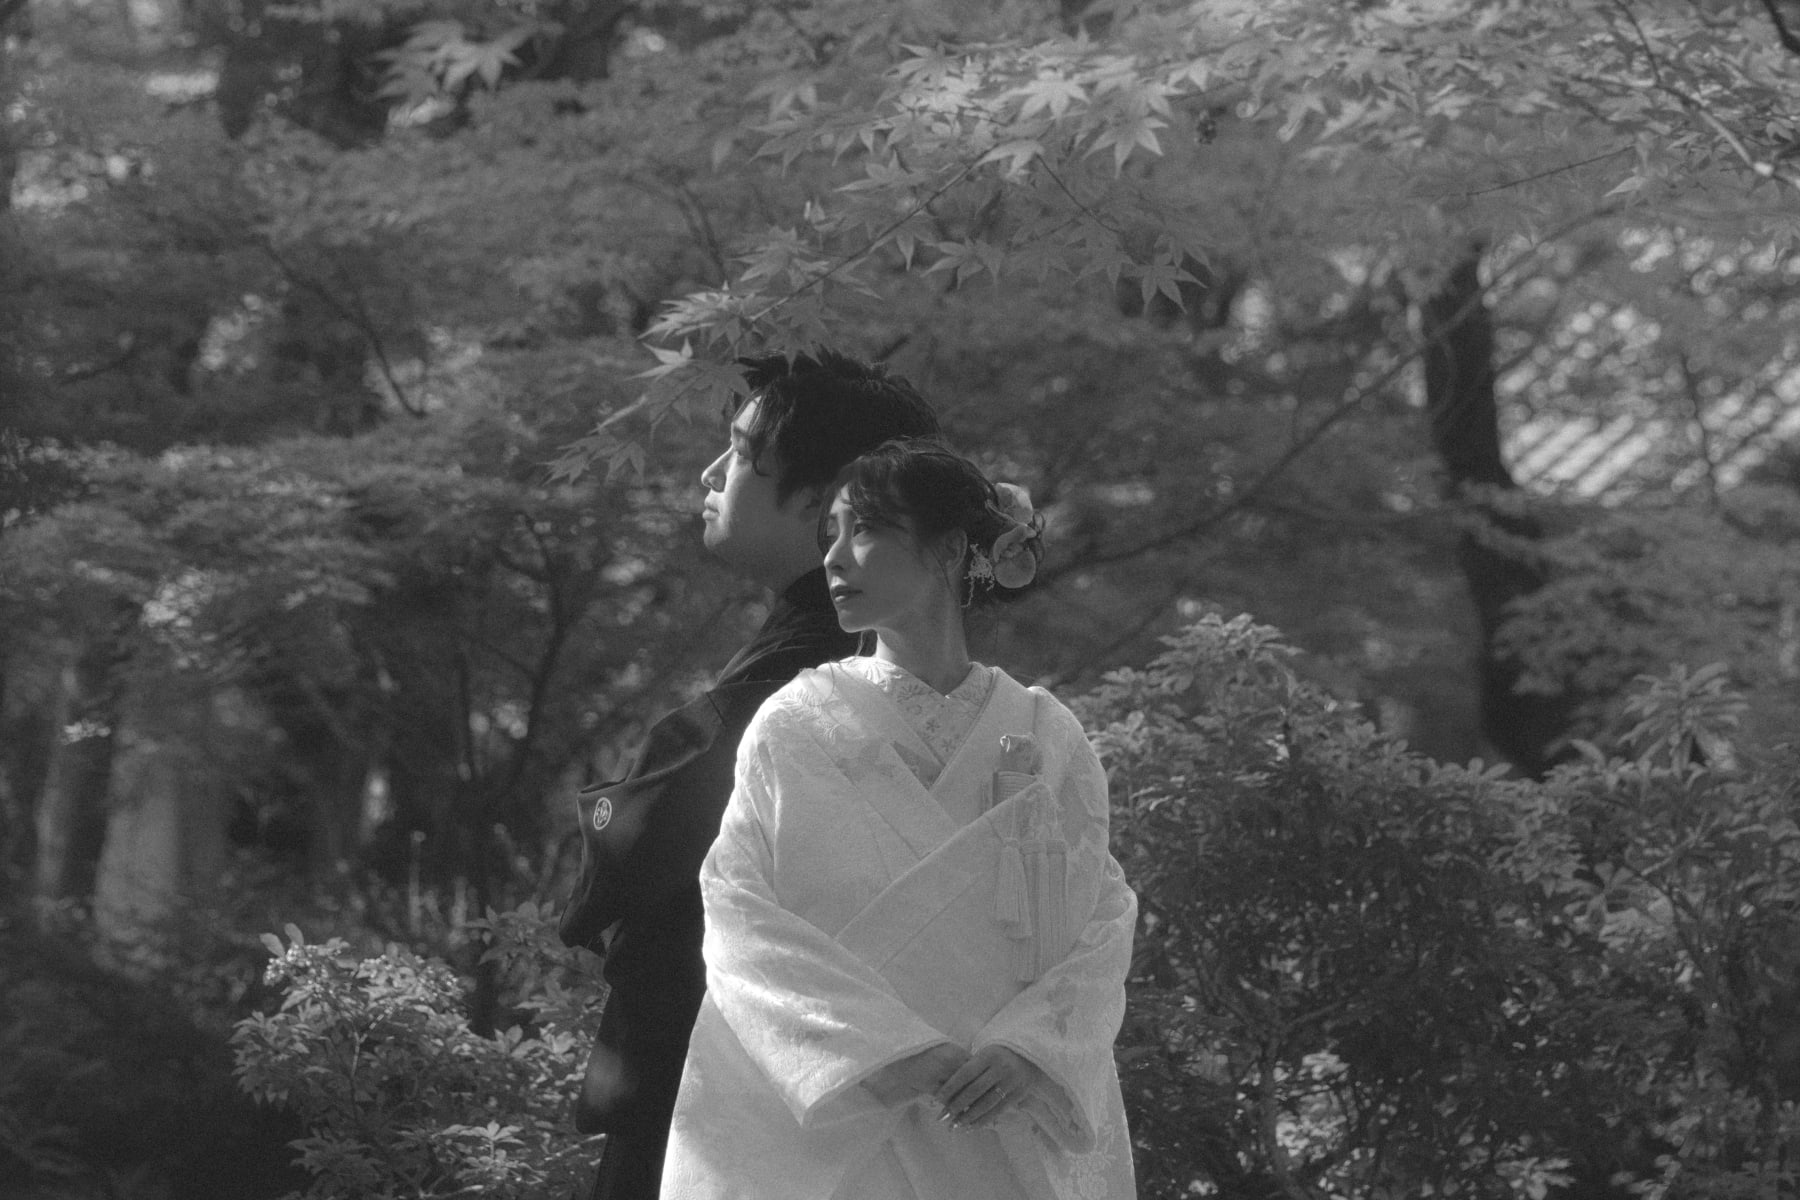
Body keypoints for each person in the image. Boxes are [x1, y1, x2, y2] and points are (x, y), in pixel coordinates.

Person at [661, 441, 1139, 1200]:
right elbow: (737, 909)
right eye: (829, 533)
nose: (834, 557)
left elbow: (1101, 917)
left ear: (949, 549)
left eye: (866, 529)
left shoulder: (1045, 734)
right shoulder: (796, 724)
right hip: (847, 1114)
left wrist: (1033, 1050)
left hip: (997, 1113)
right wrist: (883, 1049)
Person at [557, 352, 941, 1200]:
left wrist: (595, 870)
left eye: (738, 453)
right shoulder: (879, 652)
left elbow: (652, 832)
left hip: (729, 1078)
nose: (710, 473)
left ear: (823, 500)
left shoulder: (816, 670)